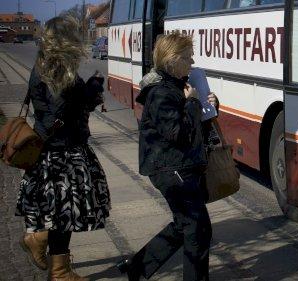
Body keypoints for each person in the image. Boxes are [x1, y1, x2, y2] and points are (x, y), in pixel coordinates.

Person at [115, 33, 218, 281]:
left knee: (186, 226)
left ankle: (137, 268)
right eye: (187, 56)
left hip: (179, 166)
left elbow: (193, 130)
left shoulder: (176, 85)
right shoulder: (161, 92)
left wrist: (210, 105)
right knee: (197, 228)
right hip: (170, 168)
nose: (192, 61)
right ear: (173, 60)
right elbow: (177, 134)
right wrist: (192, 103)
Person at [16, 16, 110, 281]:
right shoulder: (58, 69)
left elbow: (60, 108)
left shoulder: (47, 63)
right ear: (66, 40)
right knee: (68, 211)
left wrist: (87, 92)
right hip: (61, 152)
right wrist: (88, 92)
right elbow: (59, 111)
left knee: (65, 212)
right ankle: (44, 246)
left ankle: (59, 268)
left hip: (55, 148)